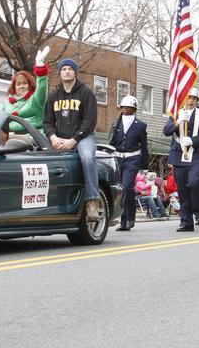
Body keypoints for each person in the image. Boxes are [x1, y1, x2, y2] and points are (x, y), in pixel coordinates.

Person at [44, 58, 100, 220]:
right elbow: (47, 122)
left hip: (83, 137)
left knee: (88, 158)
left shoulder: (86, 93)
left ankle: (92, 201)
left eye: (70, 69)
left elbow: (89, 122)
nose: (67, 71)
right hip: (59, 138)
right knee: (38, 154)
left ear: (75, 72)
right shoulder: (54, 95)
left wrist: (73, 140)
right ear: (60, 73)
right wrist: (53, 137)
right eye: (63, 69)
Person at [164, 88, 199, 232]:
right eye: (188, 97)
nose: (190, 101)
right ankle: (186, 222)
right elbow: (166, 131)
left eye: (193, 98)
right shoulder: (176, 113)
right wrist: (178, 122)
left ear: (197, 100)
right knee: (183, 191)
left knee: (195, 182)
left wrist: (192, 140)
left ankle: (198, 209)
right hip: (179, 155)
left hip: (197, 155)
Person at [109, 95, 150, 231]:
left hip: (132, 159)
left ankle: (131, 217)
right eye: (123, 107)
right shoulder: (116, 124)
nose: (125, 109)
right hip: (118, 158)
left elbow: (144, 147)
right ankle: (123, 221)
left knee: (127, 187)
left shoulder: (141, 126)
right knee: (120, 190)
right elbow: (111, 142)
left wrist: (144, 167)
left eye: (128, 107)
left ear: (134, 109)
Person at [3, 46, 50, 134]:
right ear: (14, 87)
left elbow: (42, 87)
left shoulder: (36, 99)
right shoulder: (6, 103)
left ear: (30, 85)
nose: (21, 86)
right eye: (18, 84)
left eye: (24, 83)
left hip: (33, 137)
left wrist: (40, 66)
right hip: (10, 137)